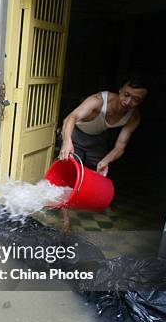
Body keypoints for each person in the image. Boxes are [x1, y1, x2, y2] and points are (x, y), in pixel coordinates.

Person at [58, 75, 148, 229]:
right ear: (120, 91)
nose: (128, 102)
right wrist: (67, 142)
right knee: (70, 172)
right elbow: (70, 118)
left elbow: (120, 146)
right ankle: (65, 218)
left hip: (98, 140)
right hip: (76, 135)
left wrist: (106, 160)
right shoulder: (98, 100)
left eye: (136, 99)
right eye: (126, 95)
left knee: (98, 173)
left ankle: (94, 203)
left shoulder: (134, 116)